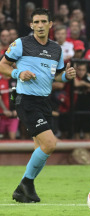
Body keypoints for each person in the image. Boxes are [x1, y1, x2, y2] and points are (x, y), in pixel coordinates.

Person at [0, 8, 76, 203]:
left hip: (44, 101)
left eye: (44, 21)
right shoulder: (21, 44)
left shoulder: (56, 49)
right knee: (50, 144)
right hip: (26, 100)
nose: (40, 25)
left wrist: (67, 76)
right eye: (36, 22)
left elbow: (57, 76)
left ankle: (25, 189)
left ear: (51, 25)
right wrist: (18, 74)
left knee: (40, 149)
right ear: (31, 25)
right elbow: (2, 65)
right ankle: (25, 185)